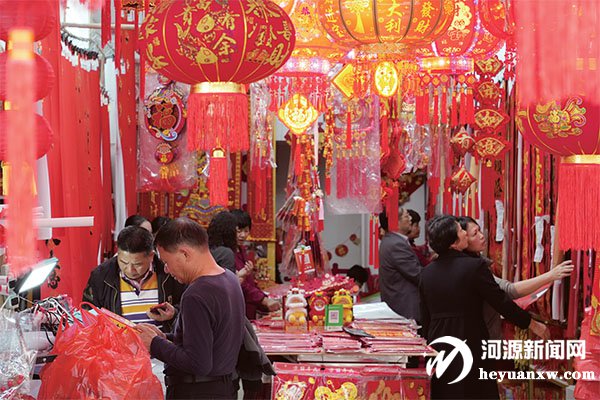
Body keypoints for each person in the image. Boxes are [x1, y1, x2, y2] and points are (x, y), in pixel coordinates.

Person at [420, 215, 549, 399]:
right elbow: (501, 302)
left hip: (439, 342)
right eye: (461, 230)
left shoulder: (427, 273)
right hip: (470, 339)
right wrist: (531, 324)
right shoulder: (474, 267)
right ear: (454, 243)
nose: (465, 233)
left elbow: (425, 316)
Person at [136, 218, 245, 399]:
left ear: (185, 253)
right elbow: (210, 340)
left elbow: (198, 362)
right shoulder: (229, 278)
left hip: (198, 392)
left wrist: (154, 344)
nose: (166, 269)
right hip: (224, 388)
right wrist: (165, 338)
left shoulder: (196, 294)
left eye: (166, 261)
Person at [457, 216, 574, 340]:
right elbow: (508, 291)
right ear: (462, 240)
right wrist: (551, 275)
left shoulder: (467, 264)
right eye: (475, 234)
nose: (481, 236)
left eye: (479, 230)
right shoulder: (472, 269)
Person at [83, 226, 184, 332]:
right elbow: (87, 314)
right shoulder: (101, 276)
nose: (130, 270)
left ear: (151, 256)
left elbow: (187, 308)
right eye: (123, 262)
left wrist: (174, 313)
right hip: (116, 342)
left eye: (137, 264)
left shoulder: (169, 273)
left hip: (162, 341)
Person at [230, 209, 280, 320]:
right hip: (236, 310)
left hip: (248, 309)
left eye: (246, 231)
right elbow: (241, 285)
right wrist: (264, 300)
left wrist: (264, 301)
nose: (243, 235)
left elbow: (249, 283)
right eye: (239, 231)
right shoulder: (227, 254)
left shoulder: (242, 250)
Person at [378, 208, 423, 322]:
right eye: (406, 216)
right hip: (404, 308)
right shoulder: (396, 244)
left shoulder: (392, 240)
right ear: (395, 222)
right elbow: (417, 274)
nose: (410, 219)